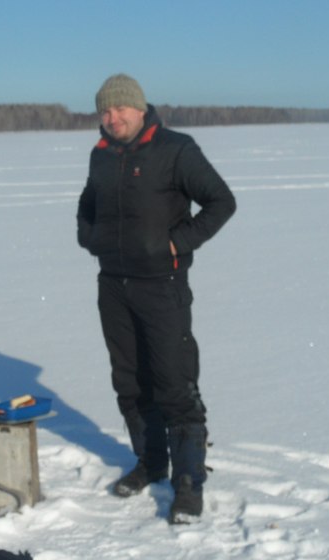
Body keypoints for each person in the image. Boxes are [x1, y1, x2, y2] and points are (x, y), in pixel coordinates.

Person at [76, 74, 236, 523]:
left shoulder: (176, 149)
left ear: (140, 108)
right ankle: (150, 463)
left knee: (174, 383)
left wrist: (176, 243)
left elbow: (221, 202)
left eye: (120, 109)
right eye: (105, 112)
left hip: (161, 286)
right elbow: (87, 204)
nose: (113, 118)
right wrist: (91, 238)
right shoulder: (101, 156)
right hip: (113, 285)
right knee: (129, 381)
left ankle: (188, 481)